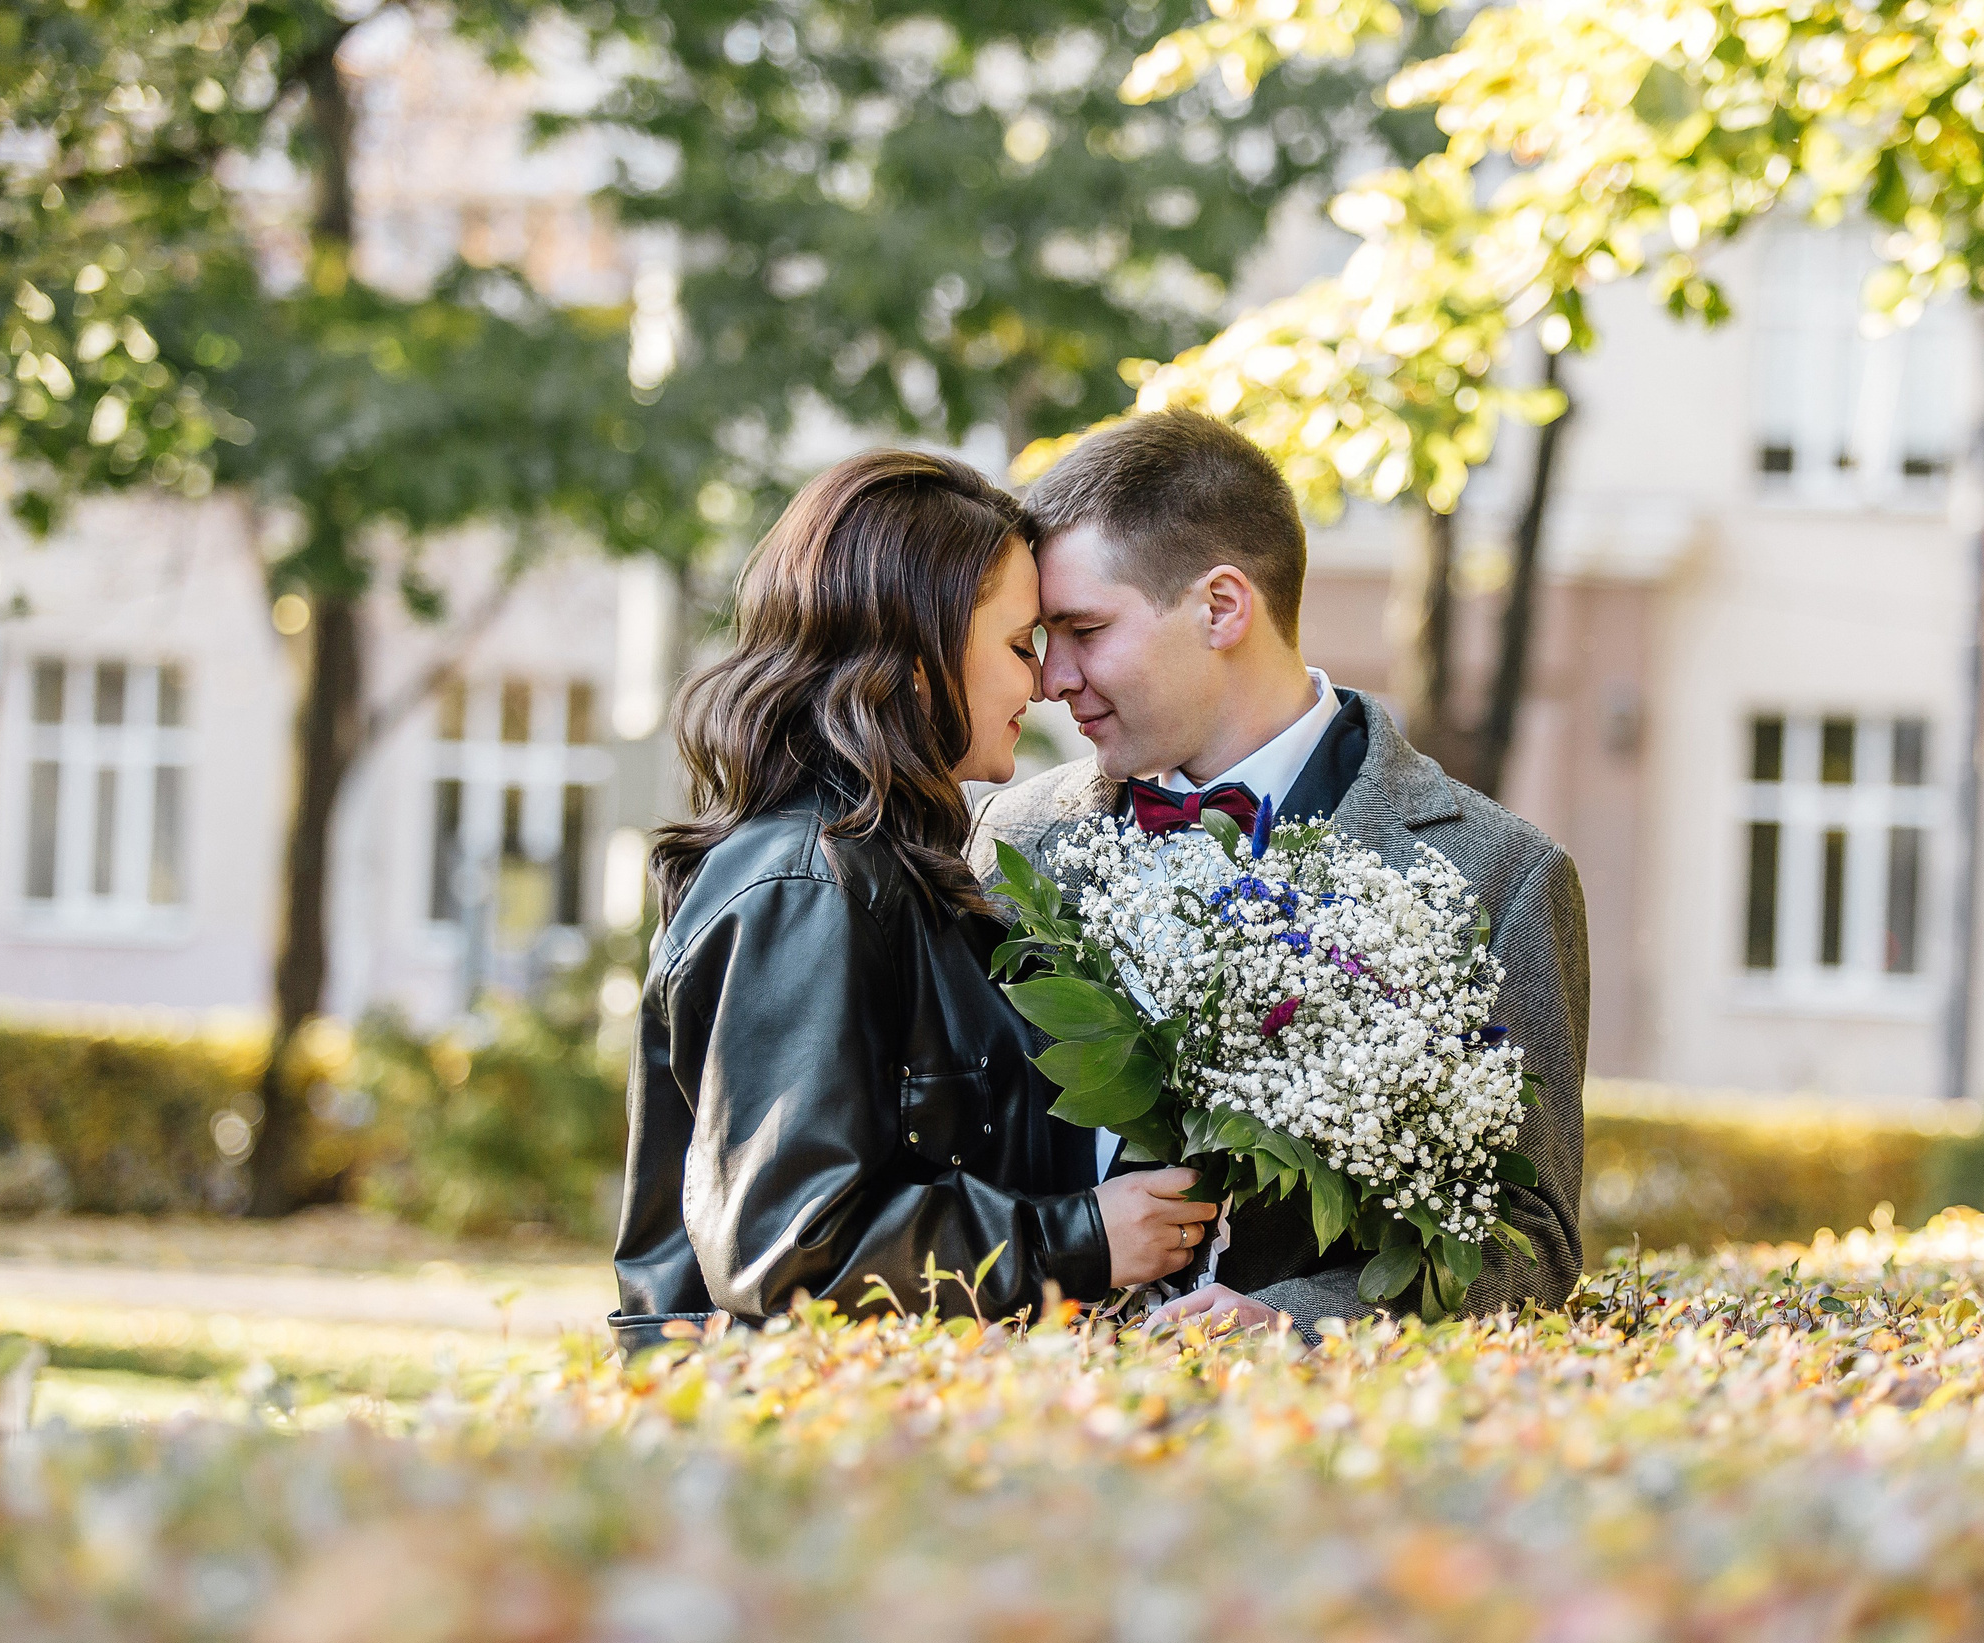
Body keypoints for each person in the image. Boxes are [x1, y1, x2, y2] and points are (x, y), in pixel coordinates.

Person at [967, 410, 1589, 1336]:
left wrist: (1297, 1323)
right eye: (1040, 638)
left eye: (1084, 628)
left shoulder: (1499, 873)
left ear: (1222, 606)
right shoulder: (1010, 837)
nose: (1052, 677)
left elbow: (1529, 1240)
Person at [609, 450, 1219, 1357]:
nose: (1044, 681)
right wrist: (1082, 1238)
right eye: (1019, 645)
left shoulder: (892, 871)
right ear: (917, 653)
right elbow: (790, 1248)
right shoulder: (807, 886)